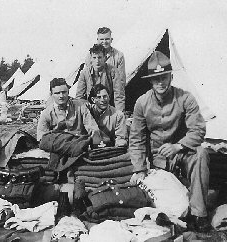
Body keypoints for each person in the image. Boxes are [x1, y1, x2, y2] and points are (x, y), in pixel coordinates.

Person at [128, 51, 211, 232]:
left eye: (164, 77)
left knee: (201, 153)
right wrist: (140, 168)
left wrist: (178, 145)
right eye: (155, 78)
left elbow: (198, 129)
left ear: (171, 76)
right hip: (158, 159)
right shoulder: (142, 103)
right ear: (150, 81)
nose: (160, 82)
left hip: (182, 151)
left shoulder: (185, 98)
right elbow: (136, 138)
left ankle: (199, 214)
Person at [37, 78, 101, 142]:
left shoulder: (80, 107)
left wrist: (94, 143)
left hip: (80, 143)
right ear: (51, 94)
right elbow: (42, 137)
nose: (61, 96)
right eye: (57, 93)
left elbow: (92, 128)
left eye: (64, 92)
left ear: (68, 92)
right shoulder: (46, 113)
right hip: (58, 146)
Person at [76, 44, 125, 112]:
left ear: (105, 58)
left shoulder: (112, 71)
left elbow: (119, 95)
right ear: (91, 59)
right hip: (91, 109)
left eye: (99, 57)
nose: (97, 61)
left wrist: (119, 115)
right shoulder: (84, 73)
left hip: (108, 107)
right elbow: (79, 97)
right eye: (94, 58)